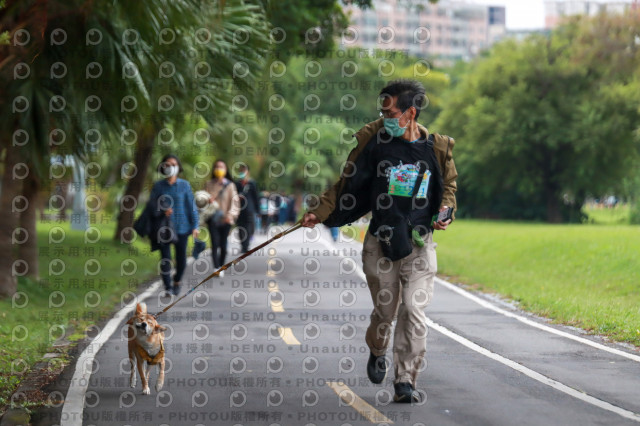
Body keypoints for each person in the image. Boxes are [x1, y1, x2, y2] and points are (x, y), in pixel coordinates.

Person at [301, 79, 458, 403]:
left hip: (419, 243)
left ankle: (404, 380)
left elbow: (449, 187)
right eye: (382, 111)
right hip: (381, 242)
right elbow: (346, 183)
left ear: (410, 113)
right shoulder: (375, 143)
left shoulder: (437, 148)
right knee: (385, 312)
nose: (384, 116)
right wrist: (320, 211)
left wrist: (445, 209)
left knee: (413, 309)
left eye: (390, 111)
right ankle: (377, 349)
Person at [148, 154, 199, 296]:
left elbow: (192, 206)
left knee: (181, 260)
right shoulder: (158, 186)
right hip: (164, 228)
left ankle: (177, 281)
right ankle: (168, 287)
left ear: (178, 167)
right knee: (165, 258)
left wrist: (195, 225)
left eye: (173, 164)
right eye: (167, 164)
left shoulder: (184, 185)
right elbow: (151, 205)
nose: (170, 167)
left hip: (182, 228)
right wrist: (162, 209)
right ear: (163, 167)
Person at [204, 159, 240, 277]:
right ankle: (216, 267)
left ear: (225, 170)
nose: (219, 169)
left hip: (225, 219)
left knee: (223, 245)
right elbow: (201, 201)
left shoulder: (230, 185)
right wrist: (207, 201)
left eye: (222, 167)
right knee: (214, 243)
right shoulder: (208, 184)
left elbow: (235, 203)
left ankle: (221, 266)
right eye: (217, 167)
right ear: (214, 170)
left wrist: (229, 216)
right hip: (212, 218)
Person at [234, 163, 260, 253]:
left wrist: (258, 210)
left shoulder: (252, 183)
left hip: (250, 209)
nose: (242, 172)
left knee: (249, 228)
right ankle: (242, 245)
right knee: (240, 228)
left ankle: (246, 246)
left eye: (244, 170)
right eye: (240, 171)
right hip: (239, 210)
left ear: (247, 172)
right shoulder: (236, 183)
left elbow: (256, 197)